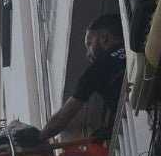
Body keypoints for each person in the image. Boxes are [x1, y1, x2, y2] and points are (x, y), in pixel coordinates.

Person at [37, 13, 126, 143]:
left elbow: (62, 119)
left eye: (89, 44)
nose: (88, 54)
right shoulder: (138, 44)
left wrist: (38, 140)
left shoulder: (97, 69)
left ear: (104, 37)